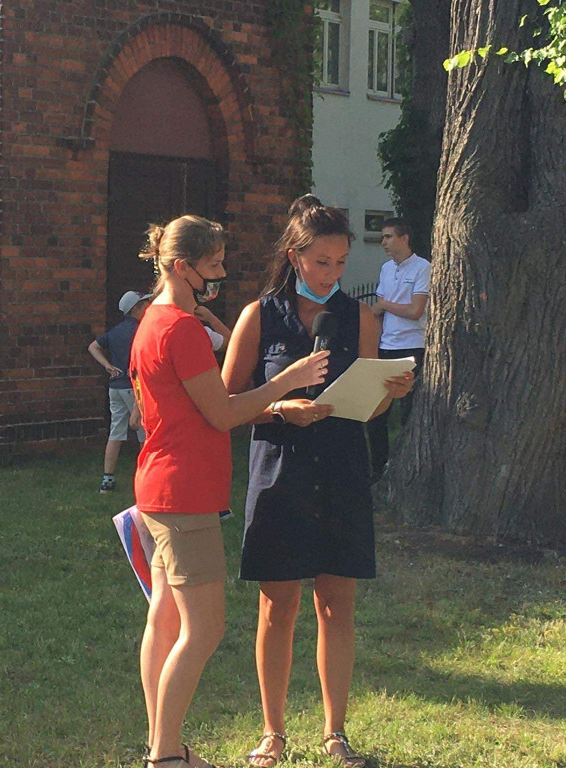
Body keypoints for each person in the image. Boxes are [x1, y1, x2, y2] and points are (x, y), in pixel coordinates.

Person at [129, 215, 329, 768]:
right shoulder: (182, 329)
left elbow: (200, 412)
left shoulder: (154, 321)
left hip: (159, 485)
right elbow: (220, 413)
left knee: (165, 619)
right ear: (181, 266)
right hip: (183, 493)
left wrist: (272, 407)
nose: (220, 274)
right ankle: (166, 754)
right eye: (213, 265)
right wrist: (287, 380)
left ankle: (162, 745)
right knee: (204, 628)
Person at [222, 196, 414, 768]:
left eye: (340, 263)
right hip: (280, 468)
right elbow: (227, 405)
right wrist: (282, 406)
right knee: (277, 605)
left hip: (341, 469)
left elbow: (370, 409)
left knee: (336, 603)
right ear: (294, 255)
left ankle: (335, 734)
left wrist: (387, 394)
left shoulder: (361, 317)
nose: (332, 274)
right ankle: (273, 733)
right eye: (321, 262)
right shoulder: (260, 314)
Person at [366, 217, 429, 480]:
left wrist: (384, 306)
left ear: (405, 238)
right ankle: (379, 471)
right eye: (382, 237)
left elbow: (416, 310)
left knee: (409, 414)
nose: (384, 243)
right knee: (376, 414)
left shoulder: (422, 268)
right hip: (386, 346)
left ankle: (409, 471)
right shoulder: (385, 269)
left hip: (413, 347)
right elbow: (379, 311)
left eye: (389, 236)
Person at [87, 290, 151, 493]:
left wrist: (107, 365)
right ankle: (145, 480)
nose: (148, 307)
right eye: (145, 304)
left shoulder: (115, 332)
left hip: (115, 387)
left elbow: (93, 347)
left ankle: (107, 479)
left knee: (116, 431)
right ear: (137, 309)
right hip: (135, 387)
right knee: (145, 434)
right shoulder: (142, 330)